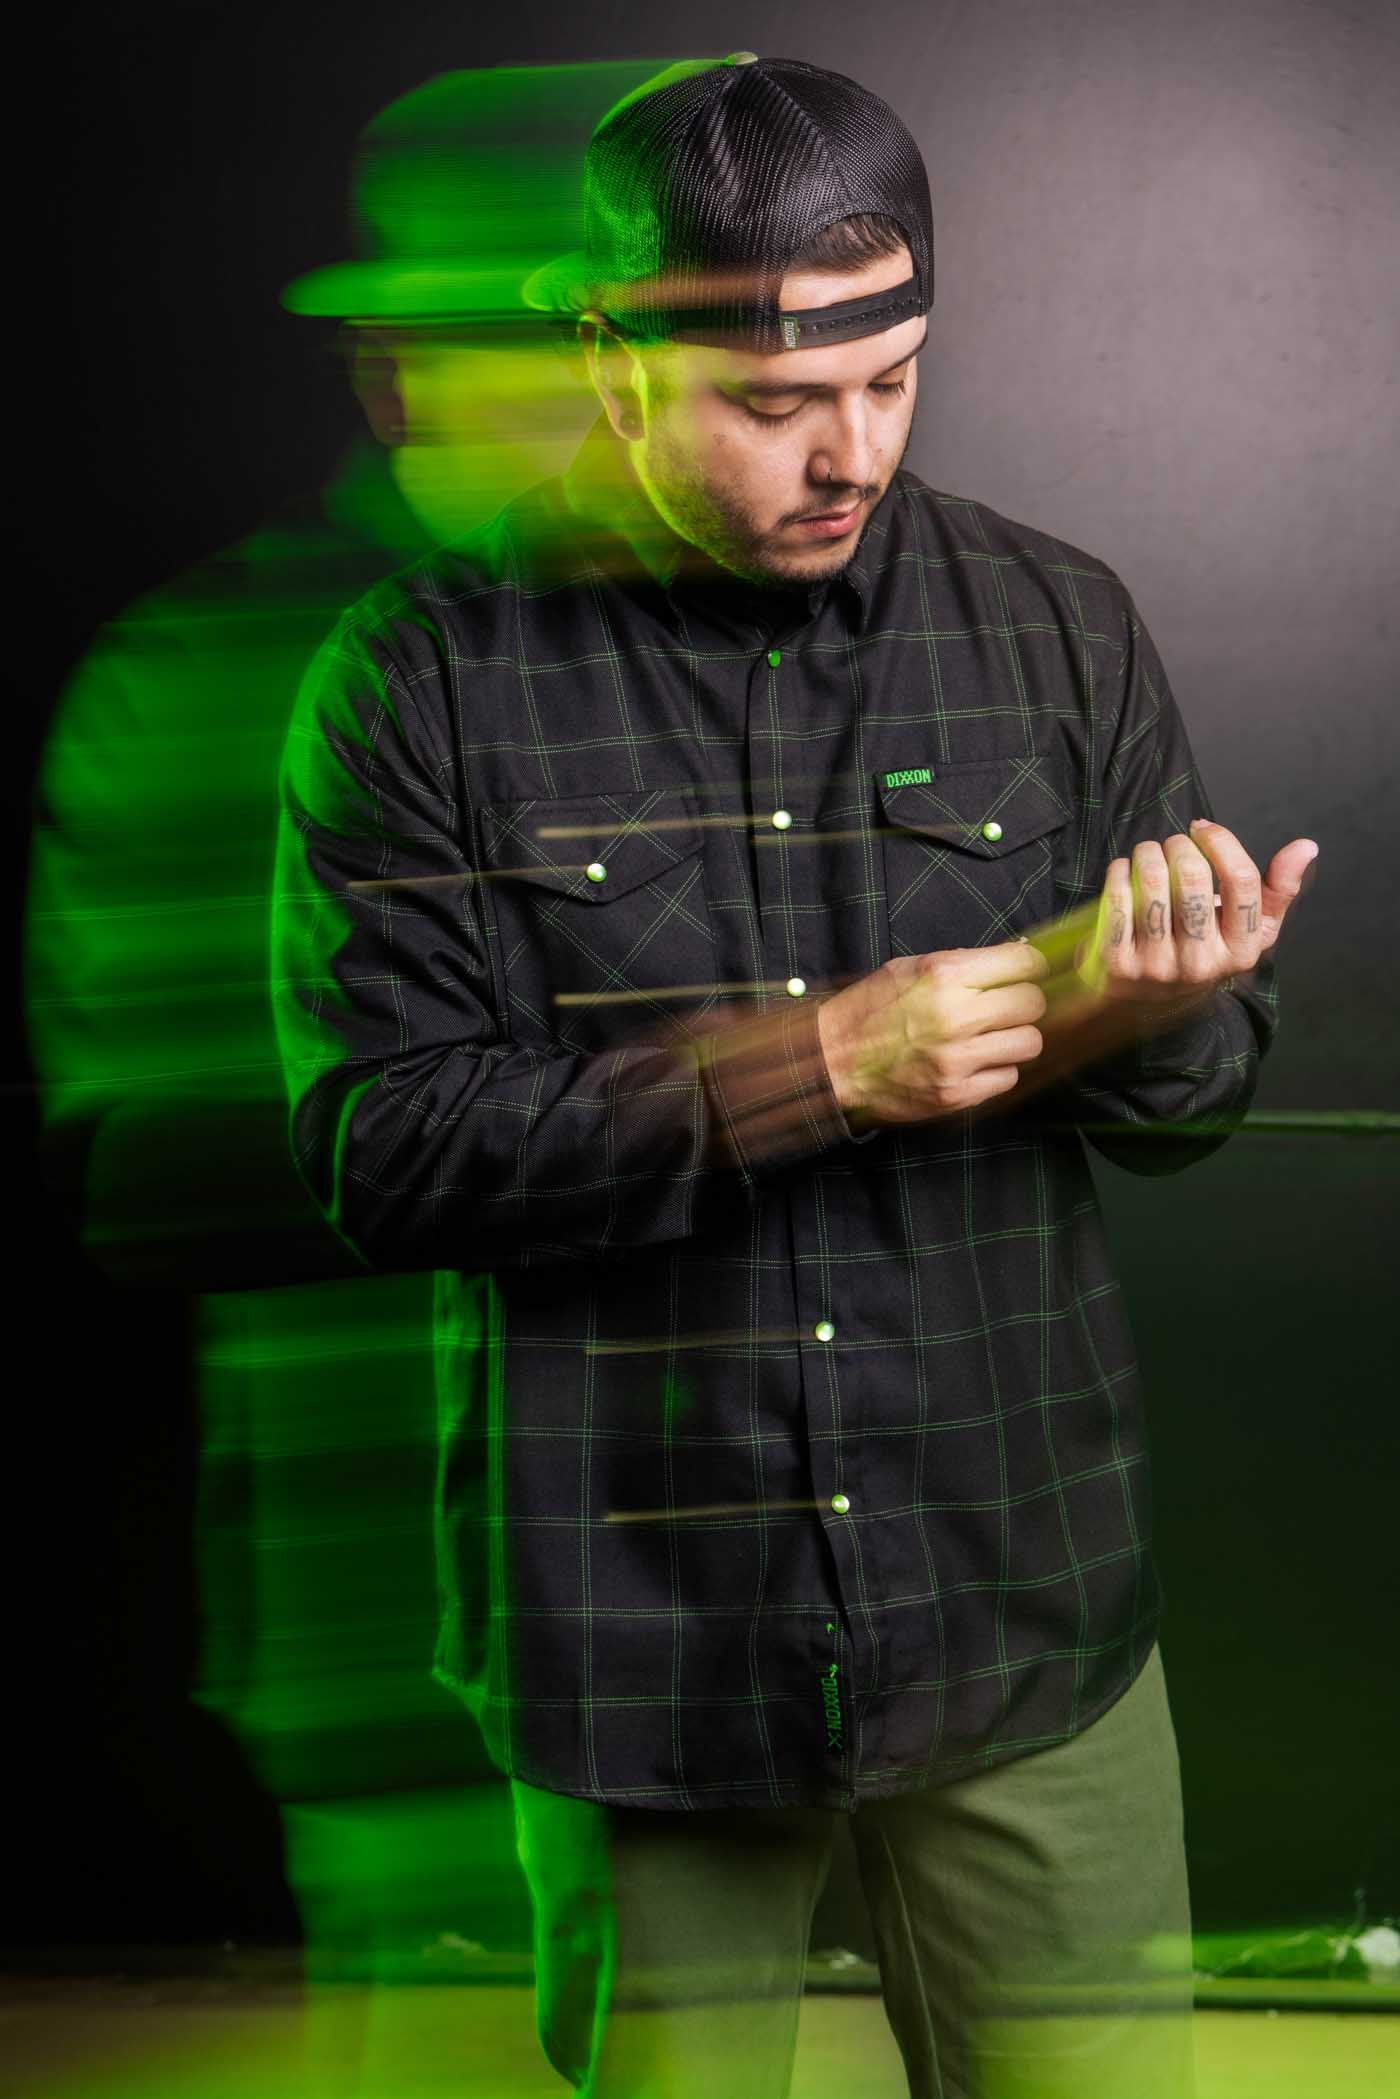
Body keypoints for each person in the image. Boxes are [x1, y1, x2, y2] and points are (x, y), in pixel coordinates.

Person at [272, 53, 1318, 2099]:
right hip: (640, 1643)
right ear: (609, 356)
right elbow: (379, 1156)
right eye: (772, 404)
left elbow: (1194, 1113)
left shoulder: (1058, 626)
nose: (850, 454)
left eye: (892, 381)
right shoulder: (417, 681)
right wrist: (818, 1067)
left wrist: (1153, 1011)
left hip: (1019, 1607)